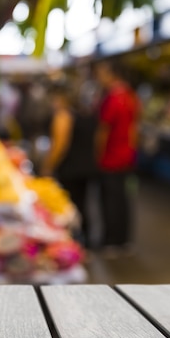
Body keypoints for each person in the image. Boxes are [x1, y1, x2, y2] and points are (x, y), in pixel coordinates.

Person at [41, 84, 99, 249]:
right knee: (83, 204)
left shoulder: (63, 115)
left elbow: (60, 144)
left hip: (71, 168)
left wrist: (48, 166)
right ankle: (87, 241)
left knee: (71, 207)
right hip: (86, 166)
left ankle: (76, 242)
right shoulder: (85, 113)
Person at [93, 60, 140, 256]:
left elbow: (103, 130)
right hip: (126, 157)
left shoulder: (112, 98)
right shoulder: (131, 96)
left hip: (111, 158)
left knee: (110, 201)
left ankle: (111, 241)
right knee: (123, 199)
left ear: (112, 74)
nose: (99, 77)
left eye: (102, 73)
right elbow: (135, 128)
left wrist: (97, 155)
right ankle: (124, 240)